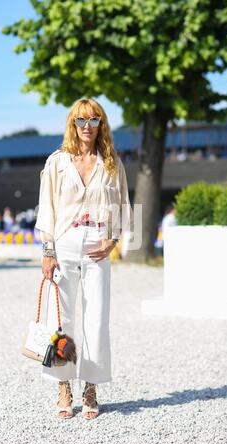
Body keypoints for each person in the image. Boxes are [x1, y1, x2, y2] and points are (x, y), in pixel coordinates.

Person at [35, 97, 134, 420]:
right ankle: (63, 384)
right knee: (61, 319)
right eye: (81, 120)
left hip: (98, 245)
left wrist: (113, 241)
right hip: (63, 244)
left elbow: (125, 206)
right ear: (72, 125)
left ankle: (90, 386)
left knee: (97, 318)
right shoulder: (57, 162)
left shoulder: (111, 162)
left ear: (102, 124)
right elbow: (46, 207)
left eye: (94, 120)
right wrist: (47, 251)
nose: (87, 126)